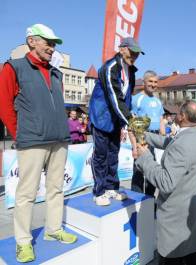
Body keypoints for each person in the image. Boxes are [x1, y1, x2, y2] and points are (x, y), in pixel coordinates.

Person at [0, 24, 77, 263]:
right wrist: (20, 134)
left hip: (59, 139)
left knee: (56, 189)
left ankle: (53, 230)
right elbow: (4, 106)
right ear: (32, 41)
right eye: (48, 42)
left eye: (54, 44)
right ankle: (23, 241)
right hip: (32, 140)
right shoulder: (14, 67)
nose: (52, 48)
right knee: (26, 194)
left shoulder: (57, 73)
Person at [134, 100, 196, 265]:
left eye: (178, 113)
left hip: (176, 215)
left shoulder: (183, 143)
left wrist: (145, 156)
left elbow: (166, 182)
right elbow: (170, 143)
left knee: (172, 258)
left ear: (182, 116)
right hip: (191, 208)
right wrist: (144, 135)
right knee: (191, 255)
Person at [89, 37, 144, 206]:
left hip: (116, 119)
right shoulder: (109, 67)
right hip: (101, 117)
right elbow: (114, 96)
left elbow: (126, 98)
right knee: (101, 155)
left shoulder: (131, 71)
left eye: (137, 53)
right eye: (131, 51)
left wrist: (125, 120)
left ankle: (111, 187)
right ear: (121, 49)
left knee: (113, 153)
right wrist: (129, 119)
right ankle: (99, 191)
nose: (134, 55)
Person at [130, 70, 165, 195]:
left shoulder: (157, 100)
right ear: (144, 82)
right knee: (139, 171)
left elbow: (161, 120)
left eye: (156, 82)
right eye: (150, 81)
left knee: (153, 171)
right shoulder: (136, 99)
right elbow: (132, 125)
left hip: (155, 139)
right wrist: (135, 146)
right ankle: (137, 199)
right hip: (142, 138)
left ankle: (149, 200)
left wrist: (164, 138)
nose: (153, 84)